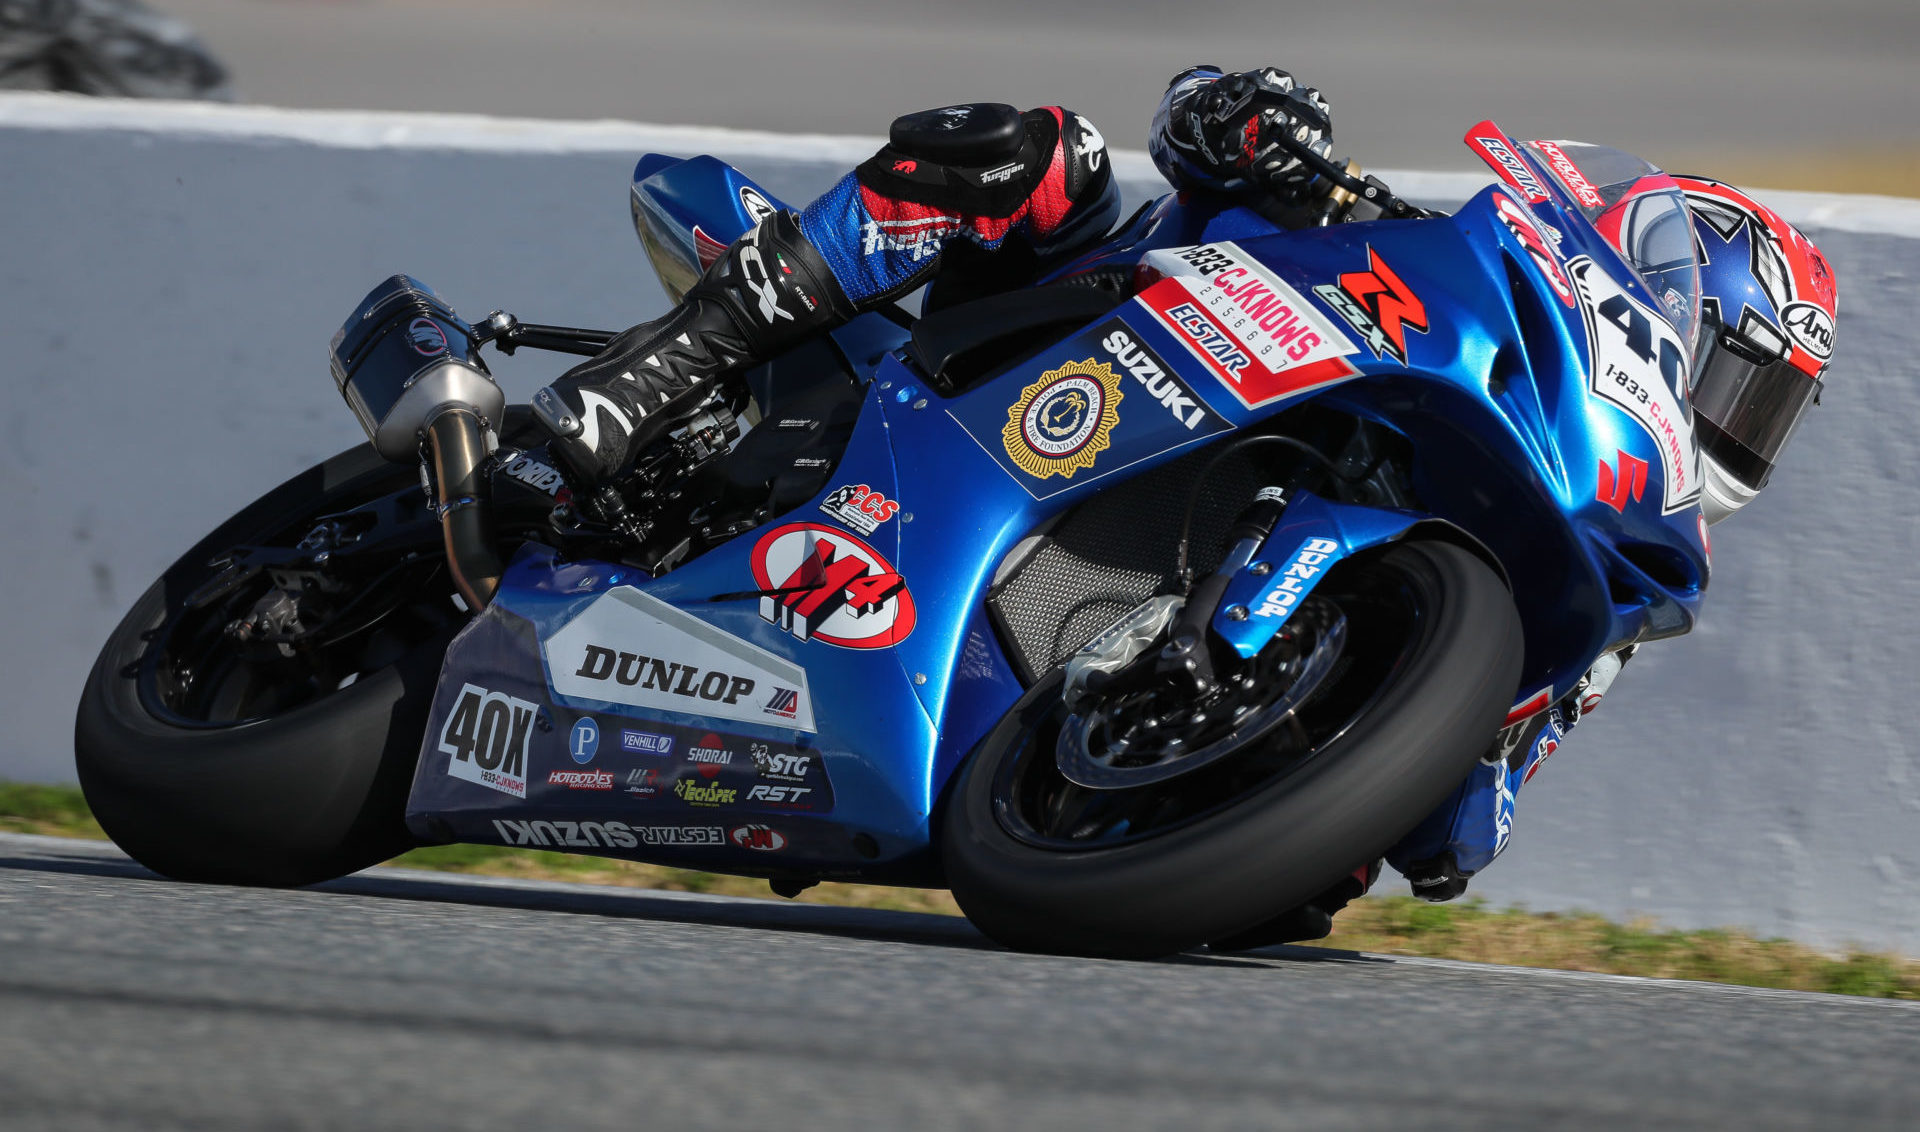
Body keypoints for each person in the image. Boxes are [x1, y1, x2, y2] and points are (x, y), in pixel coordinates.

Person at [531, 66, 1838, 940]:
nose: (1734, 428)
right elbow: (1196, 122)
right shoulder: (1399, 247)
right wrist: (1252, 133)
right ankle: (652, 380)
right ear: (1659, 291)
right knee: (1035, 150)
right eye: (1737, 376)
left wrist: (1351, 791)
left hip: (1070, 728)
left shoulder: (1599, 603)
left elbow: (1458, 837)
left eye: (1763, 415)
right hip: (1027, 355)